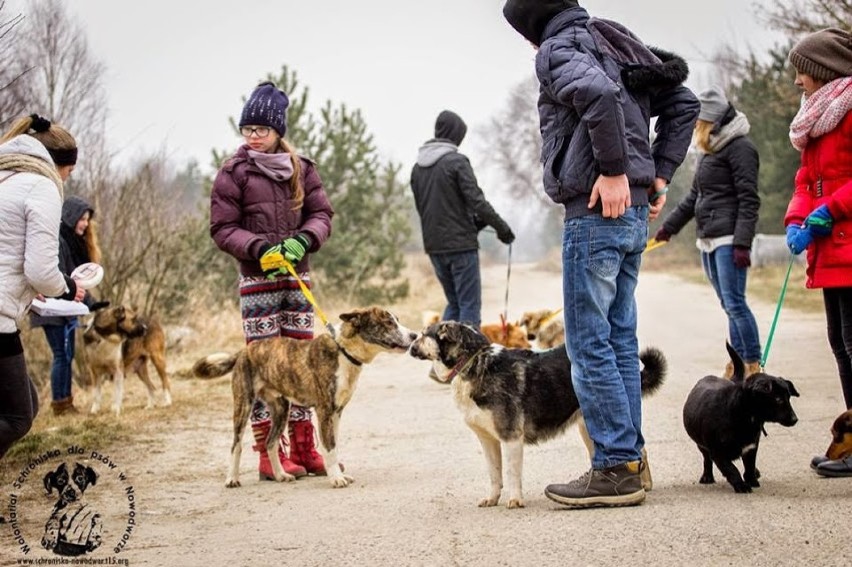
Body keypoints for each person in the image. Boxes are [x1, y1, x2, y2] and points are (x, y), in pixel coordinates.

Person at [503, 0, 699, 508]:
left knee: (589, 345)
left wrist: (614, 170)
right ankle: (632, 460)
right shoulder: (612, 40)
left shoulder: (557, 49)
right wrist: (656, 174)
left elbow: (596, 95)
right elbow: (684, 102)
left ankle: (615, 465)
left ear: (531, 28)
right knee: (616, 342)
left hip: (596, 212)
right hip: (631, 214)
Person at [210, 82, 335, 480]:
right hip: (258, 284)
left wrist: (304, 240)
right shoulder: (234, 172)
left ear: (278, 131)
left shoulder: (304, 169)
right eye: (247, 130)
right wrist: (259, 248)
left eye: (261, 130)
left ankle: (305, 445)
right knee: (265, 367)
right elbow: (222, 228)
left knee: (304, 363)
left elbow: (322, 215)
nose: (253, 137)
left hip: (297, 281)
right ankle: (268, 453)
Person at [782, 28, 852, 477]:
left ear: (824, 70)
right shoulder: (816, 120)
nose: (796, 82)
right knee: (840, 344)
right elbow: (806, 181)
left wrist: (831, 209)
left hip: (845, 235)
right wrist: (796, 220)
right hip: (828, 246)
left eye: (801, 71)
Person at [654, 86, 762, 377]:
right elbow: (694, 198)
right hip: (708, 240)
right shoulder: (708, 150)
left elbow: (748, 199)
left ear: (710, 120)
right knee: (728, 305)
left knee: (736, 303)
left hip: (729, 239)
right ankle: (737, 363)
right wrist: (669, 227)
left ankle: (753, 365)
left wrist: (742, 243)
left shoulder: (740, 148)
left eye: (697, 121)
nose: (693, 126)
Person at [0, 114, 86, 459]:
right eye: (70, 168)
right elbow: (40, 269)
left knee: (28, 405)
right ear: (58, 164)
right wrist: (67, 288)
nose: (70, 175)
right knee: (18, 417)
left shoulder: (6, 175)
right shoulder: (42, 186)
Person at [410, 109, 515, 330]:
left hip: (434, 247)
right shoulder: (457, 162)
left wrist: (475, 224)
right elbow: (477, 201)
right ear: (455, 134)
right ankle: (468, 362)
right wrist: (502, 228)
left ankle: (441, 358)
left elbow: (430, 210)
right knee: (469, 307)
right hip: (461, 247)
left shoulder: (417, 169)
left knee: (454, 304)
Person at [30, 195, 102, 415]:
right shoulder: (58, 241)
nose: (85, 224)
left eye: (88, 219)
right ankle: (60, 404)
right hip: (51, 309)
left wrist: (91, 303)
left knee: (67, 354)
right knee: (61, 355)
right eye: (82, 218)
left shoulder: (71, 242)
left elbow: (74, 279)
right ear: (71, 217)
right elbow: (60, 278)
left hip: (65, 308)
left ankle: (66, 402)